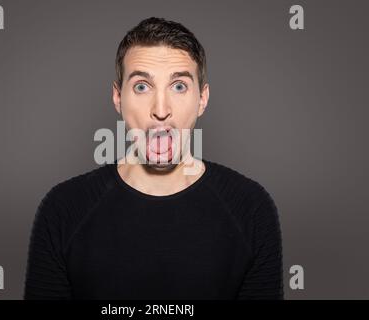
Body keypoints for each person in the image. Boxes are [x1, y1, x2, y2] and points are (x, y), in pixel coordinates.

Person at [23, 17, 284, 300]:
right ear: (117, 98)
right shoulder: (63, 210)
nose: (161, 109)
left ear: (203, 99)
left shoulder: (251, 209)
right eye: (142, 86)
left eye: (179, 86)